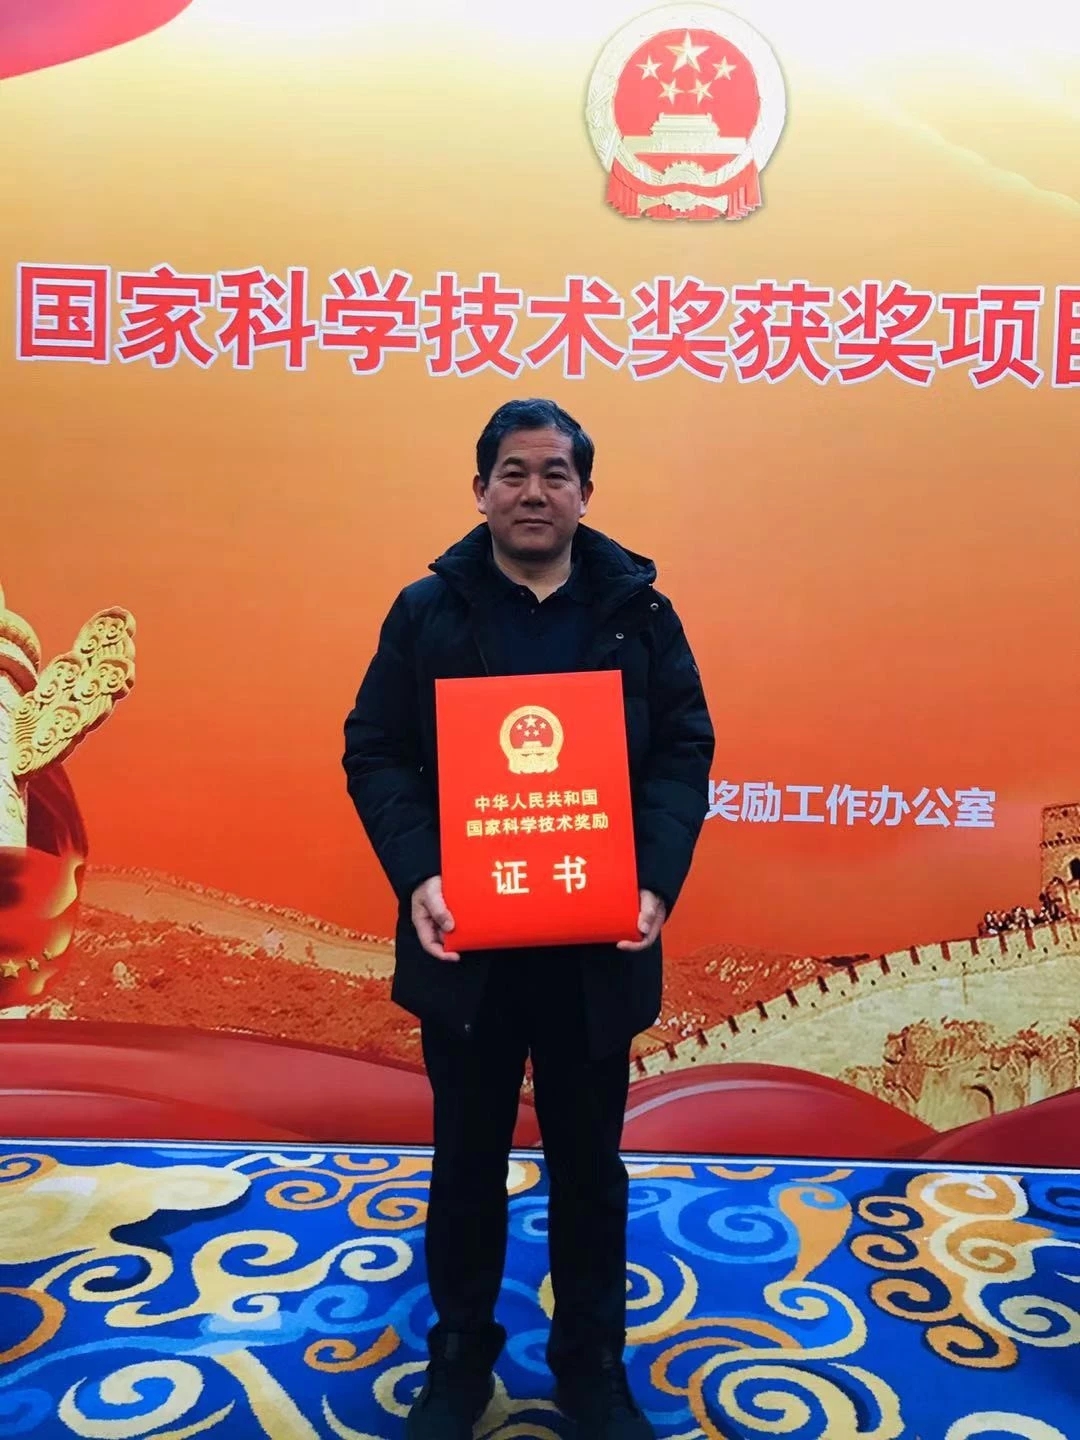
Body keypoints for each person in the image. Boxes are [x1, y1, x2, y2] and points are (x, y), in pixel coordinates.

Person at [343, 398, 714, 1439]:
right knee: (464, 1163)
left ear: (585, 493)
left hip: (596, 946)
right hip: (469, 947)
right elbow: (374, 748)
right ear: (481, 492)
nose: (534, 492)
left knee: (589, 1168)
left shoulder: (639, 613)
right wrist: (419, 873)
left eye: (556, 474)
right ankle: (459, 1359)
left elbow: (683, 749)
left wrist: (654, 878)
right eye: (514, 473)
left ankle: (592, 1367)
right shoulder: (428, 611)